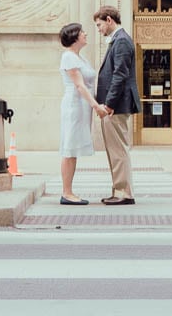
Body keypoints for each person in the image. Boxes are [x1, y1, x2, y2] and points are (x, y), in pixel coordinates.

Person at [94, 5, 141, 205]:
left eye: (99, 25)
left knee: (118, 150)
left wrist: (109, 104)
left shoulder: (121, 41)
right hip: (115, 105)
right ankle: (119, 190)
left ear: (109, 20)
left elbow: (120, 74)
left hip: (116, 106)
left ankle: (124, 193)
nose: (98, 29)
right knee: (115, 150)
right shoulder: (119, 40)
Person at [57, 22, 100, 205]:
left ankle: (68, 191)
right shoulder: (68, 57)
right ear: (74, 37)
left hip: (82, 107)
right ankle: (67, 193)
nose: (85, 34)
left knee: (72, 149)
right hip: (74, 106)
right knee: (69, 149)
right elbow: (80, 85)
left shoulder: (80, 58)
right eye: (82, 32)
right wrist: (96, 106)